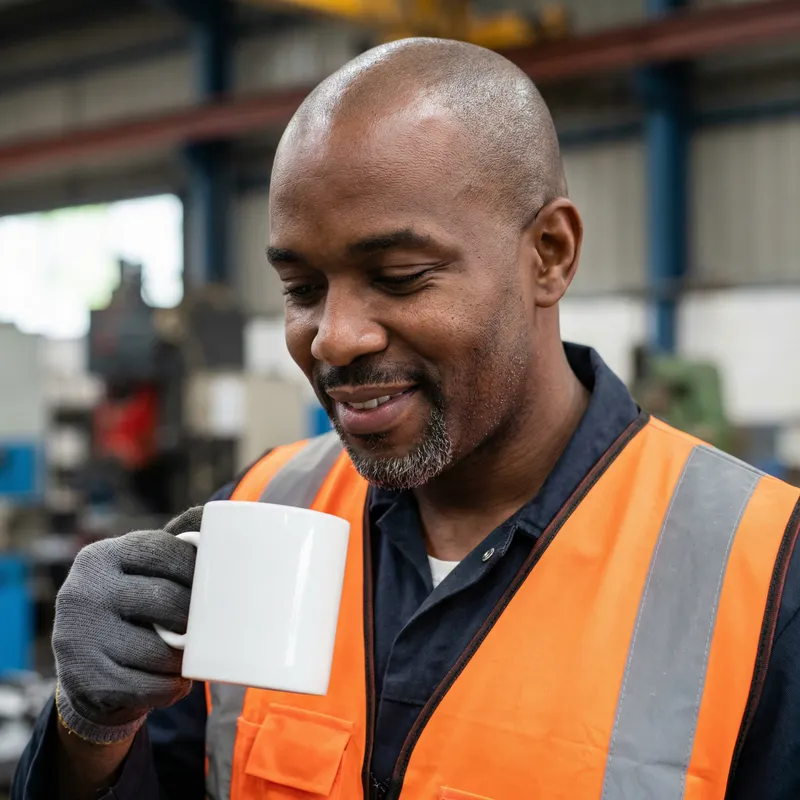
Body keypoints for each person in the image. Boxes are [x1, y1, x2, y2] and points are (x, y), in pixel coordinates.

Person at [12, 37, 800, 800]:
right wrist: (92, 731)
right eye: (302, 288)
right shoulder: (261, 507)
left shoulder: (760, 573)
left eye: (399, 276)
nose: (333, 337)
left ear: (550, 255)